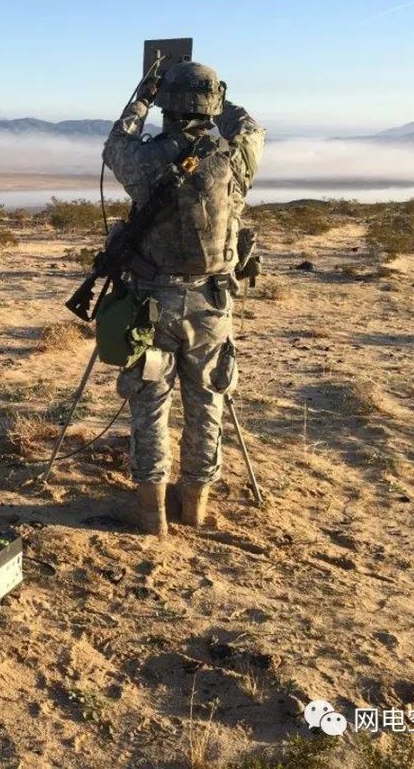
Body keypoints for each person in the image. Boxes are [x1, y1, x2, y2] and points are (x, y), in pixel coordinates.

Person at [102, 61, 266, 536]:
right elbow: (251, 126)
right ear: (212, 107)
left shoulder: (147, 160)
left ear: (167, 106)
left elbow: (116, 141)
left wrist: (142, 95)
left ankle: (150, 508)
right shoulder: (236, 156)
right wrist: (221, 100)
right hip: (213, 305)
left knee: (151, 400)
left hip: (151, 306)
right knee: (209, 396)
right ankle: (195, 501)